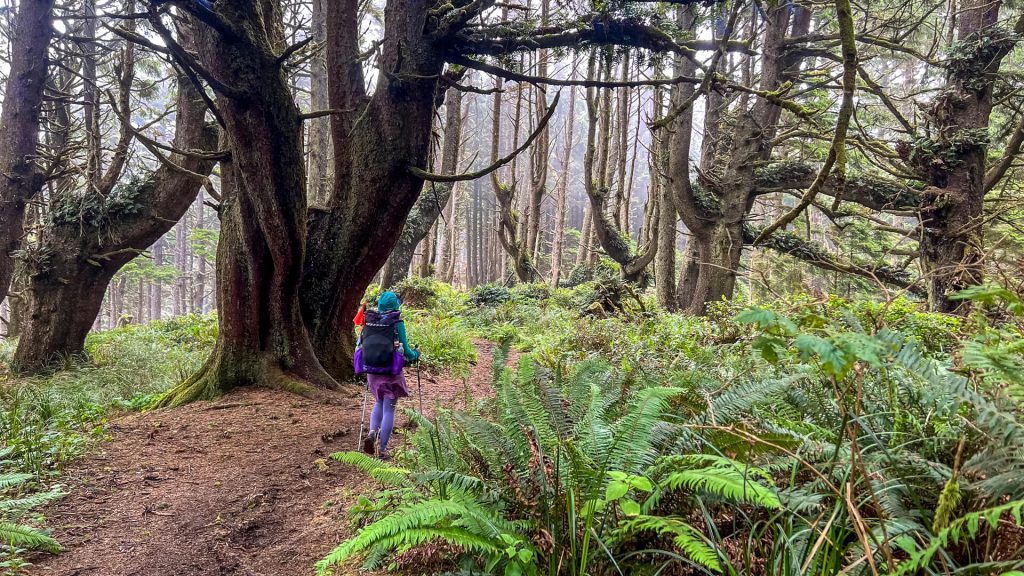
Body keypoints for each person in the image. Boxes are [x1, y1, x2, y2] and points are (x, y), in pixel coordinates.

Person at [360, 291, 419, 460]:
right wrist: (416, 354)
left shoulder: (370, 321)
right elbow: (407, 352)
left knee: (378, 402)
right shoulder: (397, 323)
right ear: (396, 305)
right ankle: (383, 450)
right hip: (391, 372)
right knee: (389, 409)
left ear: (380, 306)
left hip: (372, 371)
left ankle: (372, 433)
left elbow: (361, 345)